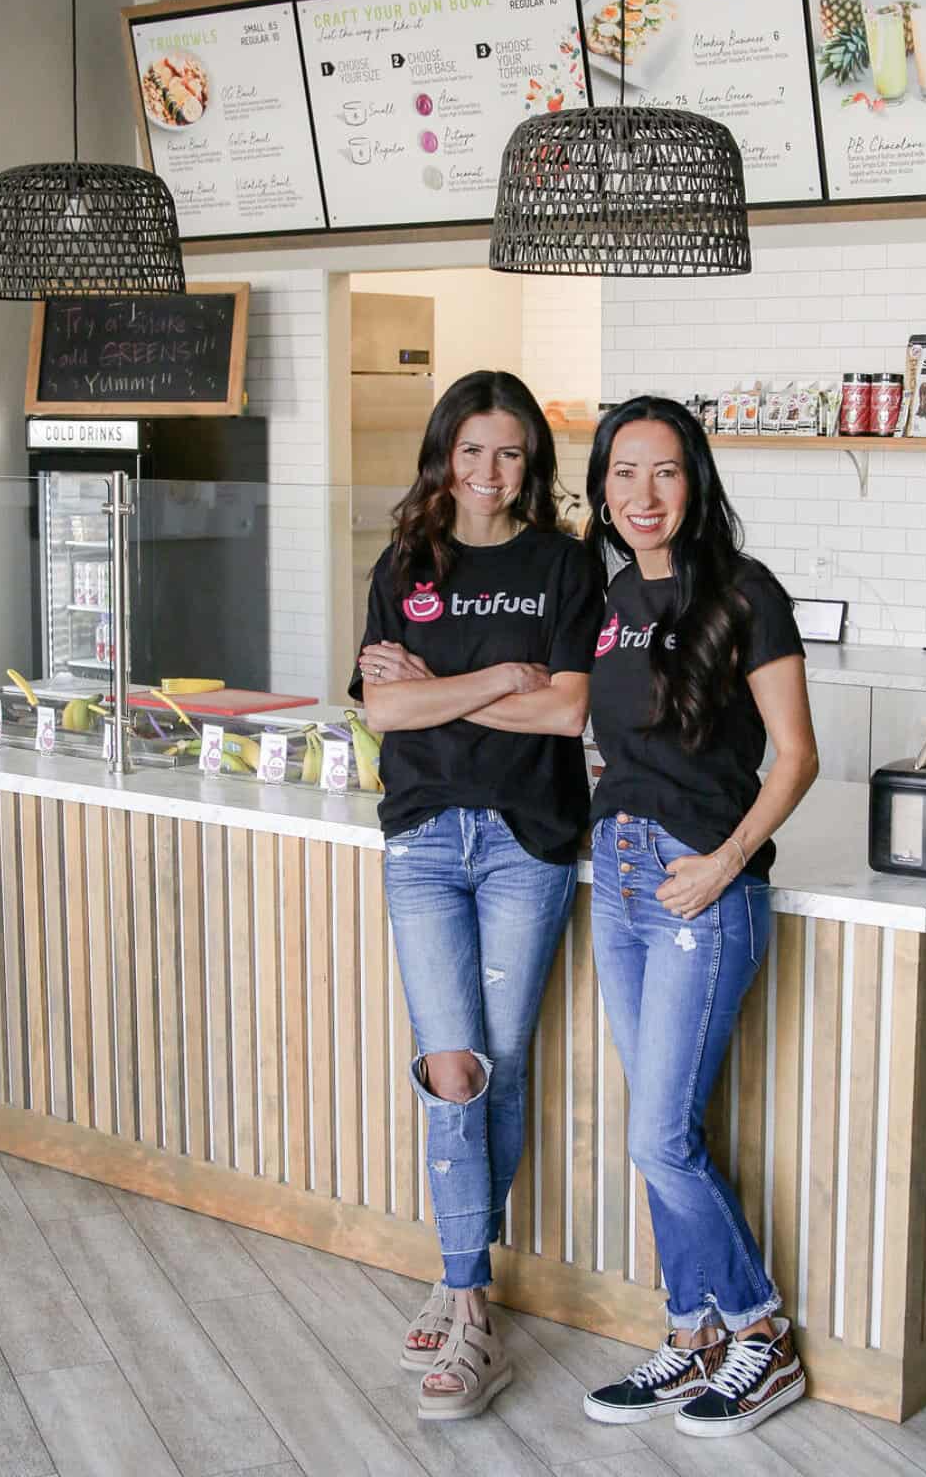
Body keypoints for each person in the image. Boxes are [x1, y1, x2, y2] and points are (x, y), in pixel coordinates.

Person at [350, 369, 604, 1423]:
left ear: (530, 461)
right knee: (451, 1069)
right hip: (421, 839)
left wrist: (437, 691)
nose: (489, 470)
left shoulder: (565, 564)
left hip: (524, 840)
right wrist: (505, 676)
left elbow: (568, 713)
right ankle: (468, 1297)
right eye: (471, 451)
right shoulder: (407, 562)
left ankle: (462, 1291)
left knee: (498, 1066)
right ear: (444, 458)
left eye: (508, 451)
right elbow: (382, 711)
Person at [580, 396, 818, 1440]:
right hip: (619, 878)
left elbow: (796, 755)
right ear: (601, 489)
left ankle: (761, 1333)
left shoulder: (745, 593)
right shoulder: (612, 597)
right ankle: (694, 1331)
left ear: (696, 482)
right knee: (660, 1135)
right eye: (624, 473)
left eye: (665, 471)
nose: (644, 494)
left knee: (659, 1136)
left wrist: (724, 861)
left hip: (700, 886)